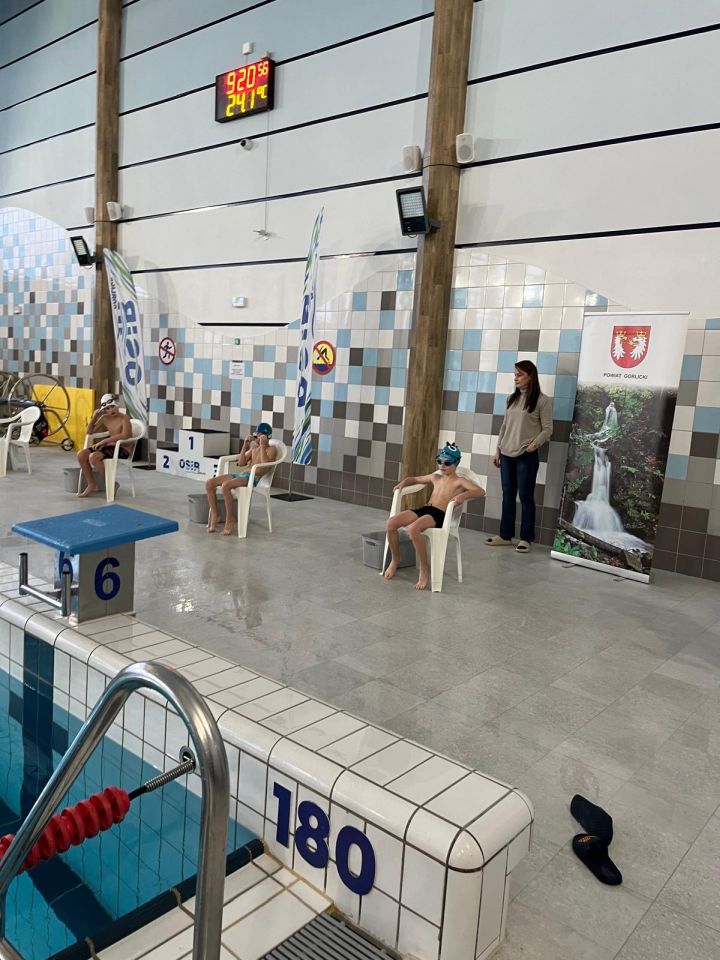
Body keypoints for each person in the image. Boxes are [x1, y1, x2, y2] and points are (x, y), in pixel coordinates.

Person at [384, 442, 485, 590]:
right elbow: (415, 479)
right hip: (426, 509)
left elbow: (480, 491)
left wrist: (463, 496)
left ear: (456, 463)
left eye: (447, 463)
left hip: (439, 514)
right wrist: (403, 483)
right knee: (391, 523)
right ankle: (395, 559)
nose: (442, 465)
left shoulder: (460, 481)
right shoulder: (435, 477)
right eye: (439, 461)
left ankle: (425, 568)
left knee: (413, 529)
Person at [486, 359, 553, 552]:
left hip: (526, 455)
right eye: (515, 374)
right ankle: (505, 535)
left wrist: (533, 445)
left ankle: (526, 538)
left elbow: (548, 429)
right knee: (508, 495)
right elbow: (504, 426)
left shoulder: (542, 400)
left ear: (530, 376)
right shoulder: (511, 399)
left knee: (525, 496)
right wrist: (498, 450)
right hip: (506, 454)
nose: (515, 378)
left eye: (520, 374)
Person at [205, 422, 277, 535]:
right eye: (256, 435)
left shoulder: (272, 449)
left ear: (266, 436)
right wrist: (245, 445)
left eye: (259, 435)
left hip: (253, 478)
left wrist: (263, 446)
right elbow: (241, 462)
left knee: (226, 485)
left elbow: (264, 465)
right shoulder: (254, 448)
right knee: (209, 483)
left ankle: (230, 518)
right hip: (242, 474)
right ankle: (215, 514)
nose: (256, 438)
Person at [77, 393, 133, 498]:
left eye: (112, 406)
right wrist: (94, 417)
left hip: (122, 449)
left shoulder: (124, 418)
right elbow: (90, 432)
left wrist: (104, 441)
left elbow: (126, 435)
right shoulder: (104, 418)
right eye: (107, 408)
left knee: (93, 457)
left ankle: (112, 483)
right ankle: (92, 484)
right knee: (81, 454)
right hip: (109, 447)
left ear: (117, 405)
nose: (111, 410)